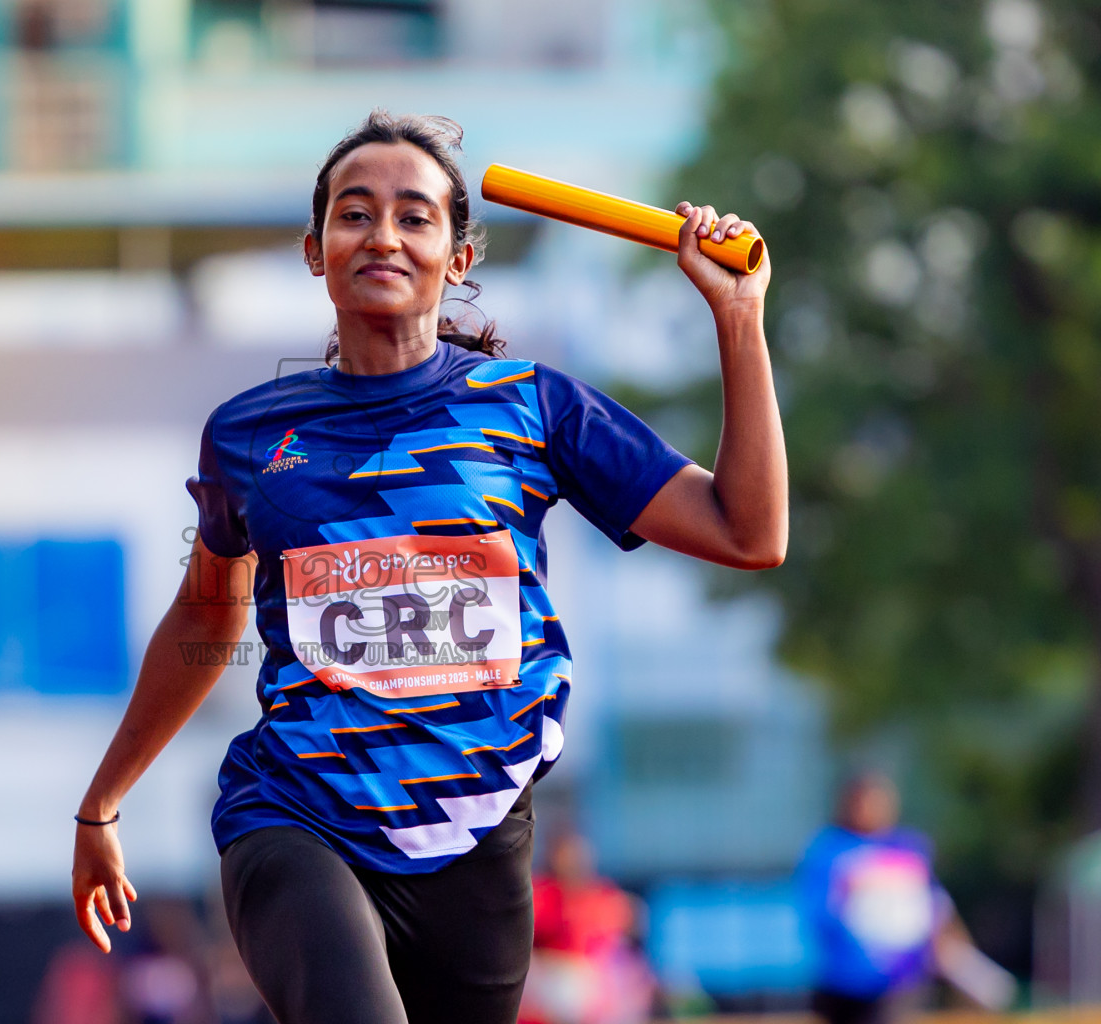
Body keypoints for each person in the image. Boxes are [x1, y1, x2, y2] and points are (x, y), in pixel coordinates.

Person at [70, 110, 787, 1024]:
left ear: (458, 258)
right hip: (298, 816)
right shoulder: (251, 436)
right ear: (314, 247)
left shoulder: (533, 409)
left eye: (415, 216)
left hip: (478, 834)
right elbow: (208, 619)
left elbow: (749, 532)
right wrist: (103, 802)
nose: (383, 235)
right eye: (355, 212)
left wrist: (739, 317)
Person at [796, 772, 1010, 1024]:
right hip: (845, 981)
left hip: (901, 980)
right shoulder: (829, 850)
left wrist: (956, 950)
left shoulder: (909, 847)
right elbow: (819, 912)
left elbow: (935, 906)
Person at [520, 831, 655, 1024]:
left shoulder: (603, 896)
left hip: (592, 981)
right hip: (547, 979)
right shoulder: (540, 893)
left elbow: (627, 941)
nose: (569, 860)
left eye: (575, 854)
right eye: (563, 854)